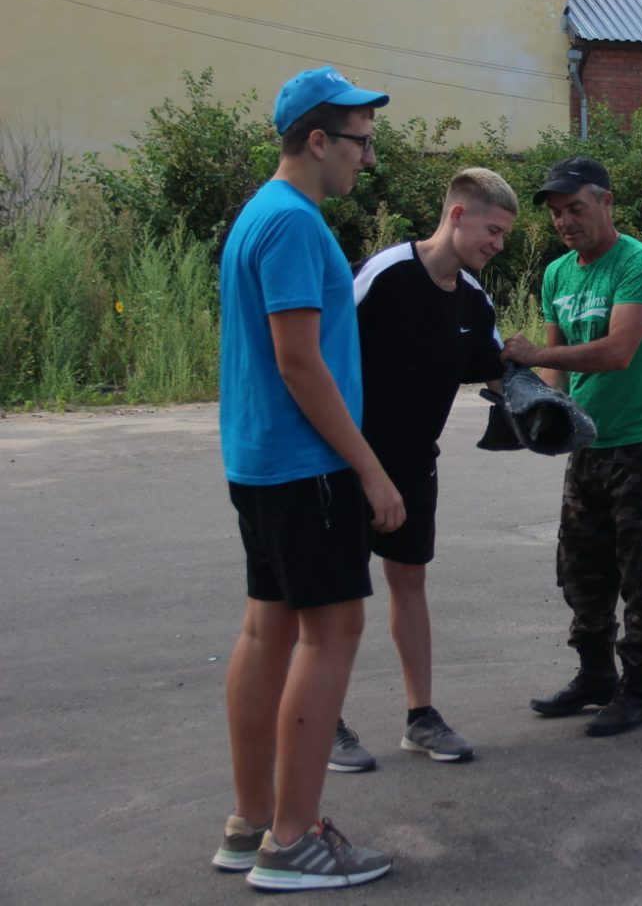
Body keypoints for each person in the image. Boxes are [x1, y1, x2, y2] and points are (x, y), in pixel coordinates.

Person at [214, 66, 398, 891]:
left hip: (260, 463)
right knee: (333, 635)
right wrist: (369, 467)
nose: (367, 158)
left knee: (267, 632)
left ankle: (252, 822)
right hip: (309, 467)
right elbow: (298, 360)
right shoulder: (294, 225)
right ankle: (293, 841)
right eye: (360, 142)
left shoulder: (260, 213)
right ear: (317, 140)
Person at [330, 168, 518, 770]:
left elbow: (496, 371)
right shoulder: (384, 274)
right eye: (493, 230)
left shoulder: (474, 299)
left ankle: (420, 719)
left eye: (505, 236)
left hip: (415, 461)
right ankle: (324, 721)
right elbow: (323, 353)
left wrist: (547, 409)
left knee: (409, 582)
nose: (497, 244)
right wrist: (357, 464)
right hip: (347, 459)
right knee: (339, 593)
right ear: (458, 215)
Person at [504, 157, 642, 737]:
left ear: (606, 203)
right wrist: (536, 406)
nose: (565, 222)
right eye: (558, 213)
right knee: (581, 570)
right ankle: (595, 677)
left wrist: (535, 356)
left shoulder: (639, 265)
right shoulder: (558, 275)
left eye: (576, 209)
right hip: (589, 446)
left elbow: (617, 352)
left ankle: (637, 690)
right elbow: (560, 376)